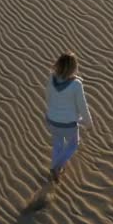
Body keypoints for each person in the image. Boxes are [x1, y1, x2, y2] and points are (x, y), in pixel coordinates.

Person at [44, 51, 93, 184]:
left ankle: (55, 167)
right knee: (73, 144)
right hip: (68, 124)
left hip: (52, 121)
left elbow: (48, 97)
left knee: (58, 144)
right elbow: (82, 106)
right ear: (73, 68)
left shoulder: (51, 78)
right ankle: (57, 166)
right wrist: (88, 122)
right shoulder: (76, 85)